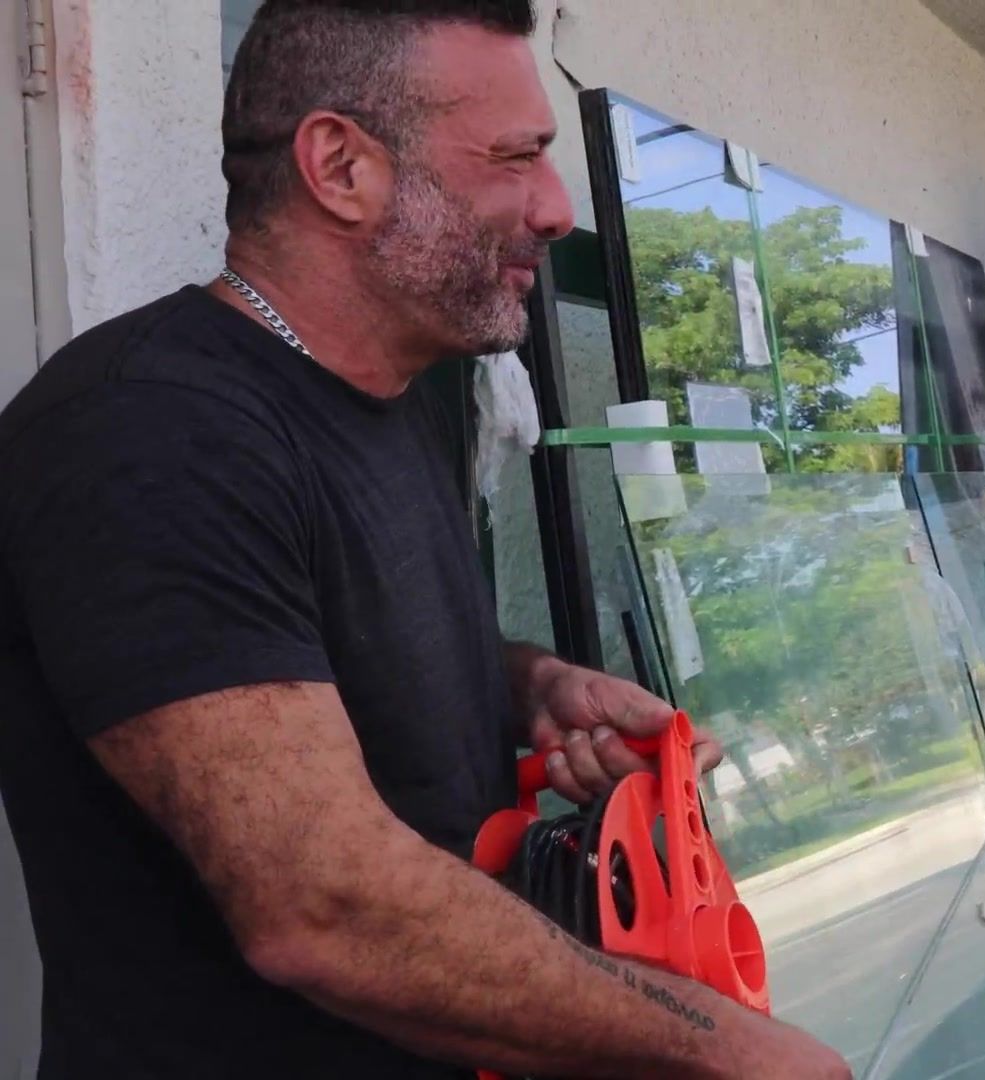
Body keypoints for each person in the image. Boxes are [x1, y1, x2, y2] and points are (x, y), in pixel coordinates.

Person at [0, 2, 850, 1077]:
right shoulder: (149, 429)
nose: (556, 209)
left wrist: (526, 685)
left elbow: (309, 634)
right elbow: (324, 908)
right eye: (515, 158)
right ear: (341, 167)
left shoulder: (406, 401)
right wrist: (727, 1049)